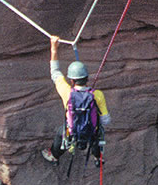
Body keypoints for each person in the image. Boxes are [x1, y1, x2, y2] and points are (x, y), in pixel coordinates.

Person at [42, 35, 110, 165]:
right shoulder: (97, 95)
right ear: (86, 78)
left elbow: (55, 72)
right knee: (98, 133)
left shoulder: (67, 92)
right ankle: (98, 157)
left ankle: (54, 155)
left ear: (71, 80)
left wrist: (54, 48)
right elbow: (106, 120)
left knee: (60, 133)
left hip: (71, 132)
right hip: (91, 131)